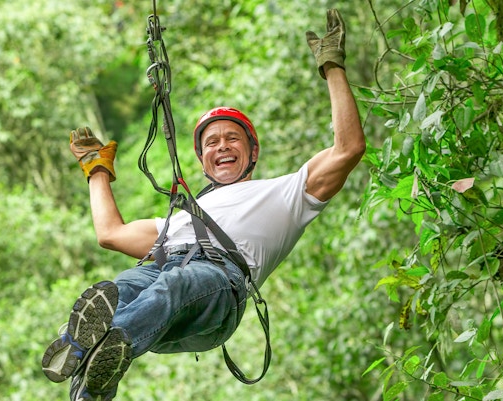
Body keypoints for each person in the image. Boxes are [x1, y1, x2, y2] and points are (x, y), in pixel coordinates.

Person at [42, 9, 366, 401]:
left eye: (233, 138)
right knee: (121, 286)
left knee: (174, 284)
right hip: (162, 291)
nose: (222, 146)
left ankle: (104, 350)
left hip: (217, 294)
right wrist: (95, 168)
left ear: (252, 151)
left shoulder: (284, 193)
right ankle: (83, 364)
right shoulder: (180, 220)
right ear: (202, 160)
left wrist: (331, 65)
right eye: (212, 142)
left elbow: (349, 149)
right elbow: (110, 234)